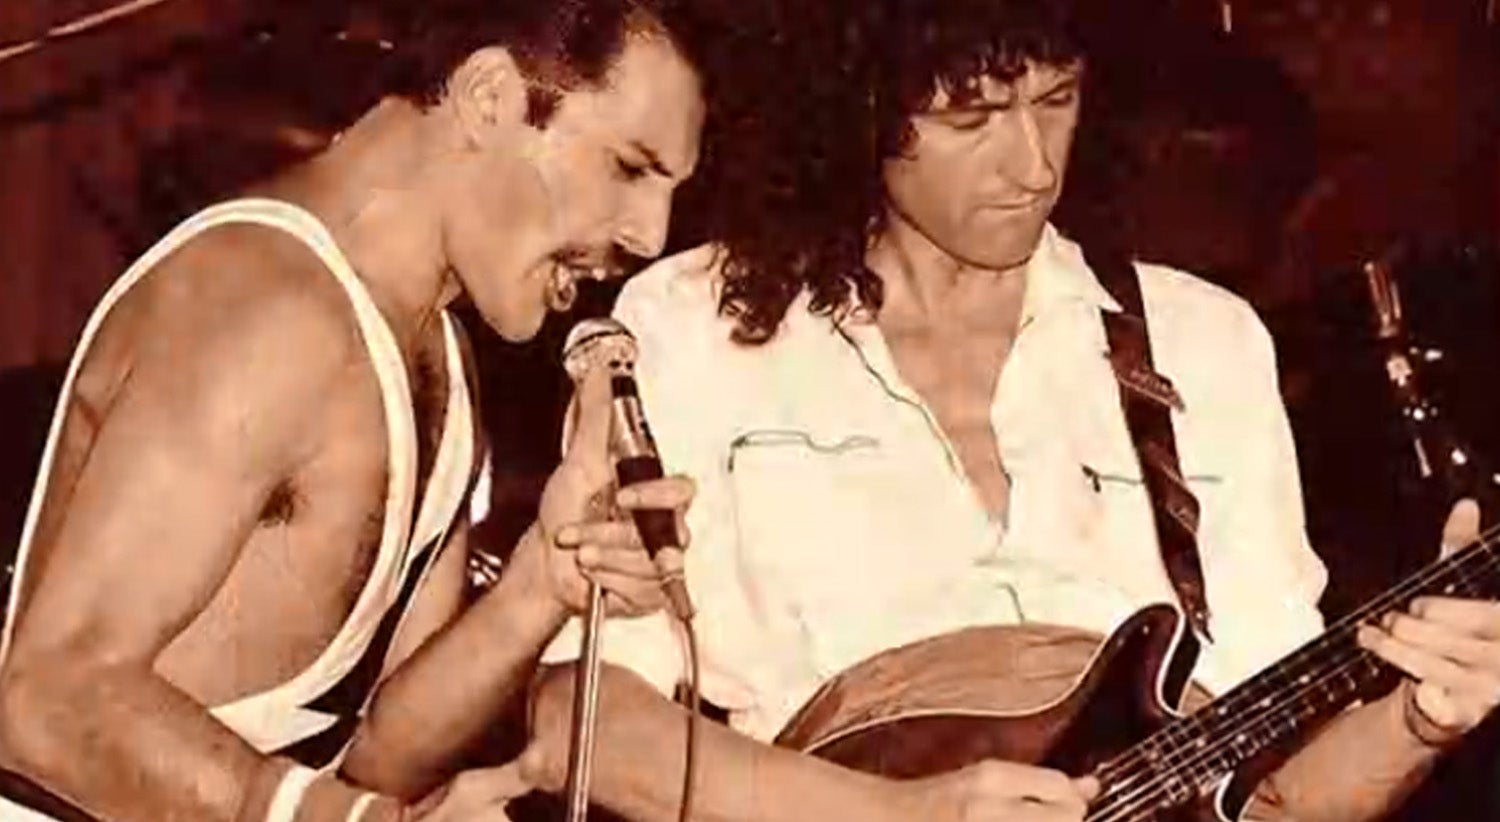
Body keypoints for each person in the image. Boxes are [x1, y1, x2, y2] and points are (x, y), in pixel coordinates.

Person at [522, 1, 1500, 820]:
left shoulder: (1203, 344)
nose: (1032, 165)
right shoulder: (694, 325)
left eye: (1056, 100)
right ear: (860, 105)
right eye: (972, 117)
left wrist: (1418, 720)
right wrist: (897, 816)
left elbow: (1277, 798)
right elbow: (581, 718)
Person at [0, 0, 702, 819]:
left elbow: (376, 758)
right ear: (488, 97)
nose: (651, 236)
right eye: (629, 168)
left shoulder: (439, 354)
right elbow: (48, 700)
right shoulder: (264, 306)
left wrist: (541, 585)